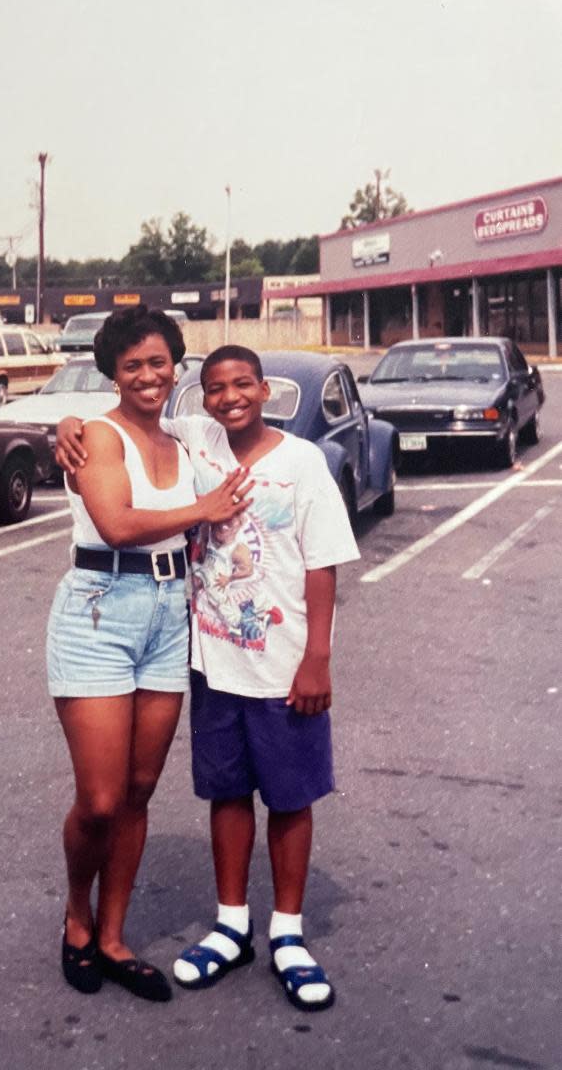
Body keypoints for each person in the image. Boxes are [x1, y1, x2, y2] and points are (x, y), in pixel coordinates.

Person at [56, 344, 359, 1011]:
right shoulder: (198, 442)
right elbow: (116, 422)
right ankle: (231, 925)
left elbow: (324, 564)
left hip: (283, 666)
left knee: (289, 797)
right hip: (214, 663)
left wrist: (317, 658)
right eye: (215, 388)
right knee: (227, 794)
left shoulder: (303, 462)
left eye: (243, 385)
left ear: (265, 389)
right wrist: (69, 426)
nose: (228, 398)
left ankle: (287, 933)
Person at [48, 309, 252, 1003]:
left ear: (176, 366)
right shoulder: (97, 438)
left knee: (138, 790)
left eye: (159, 362)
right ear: (111, 371)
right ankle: (76, 916)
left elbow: (249, 422)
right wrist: (204, 509)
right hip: (101, 610)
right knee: (100, 799)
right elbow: (118, 523)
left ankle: (112, 936)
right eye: (132, 365)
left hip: (171, 615)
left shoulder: (190, 433)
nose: (147, 376)